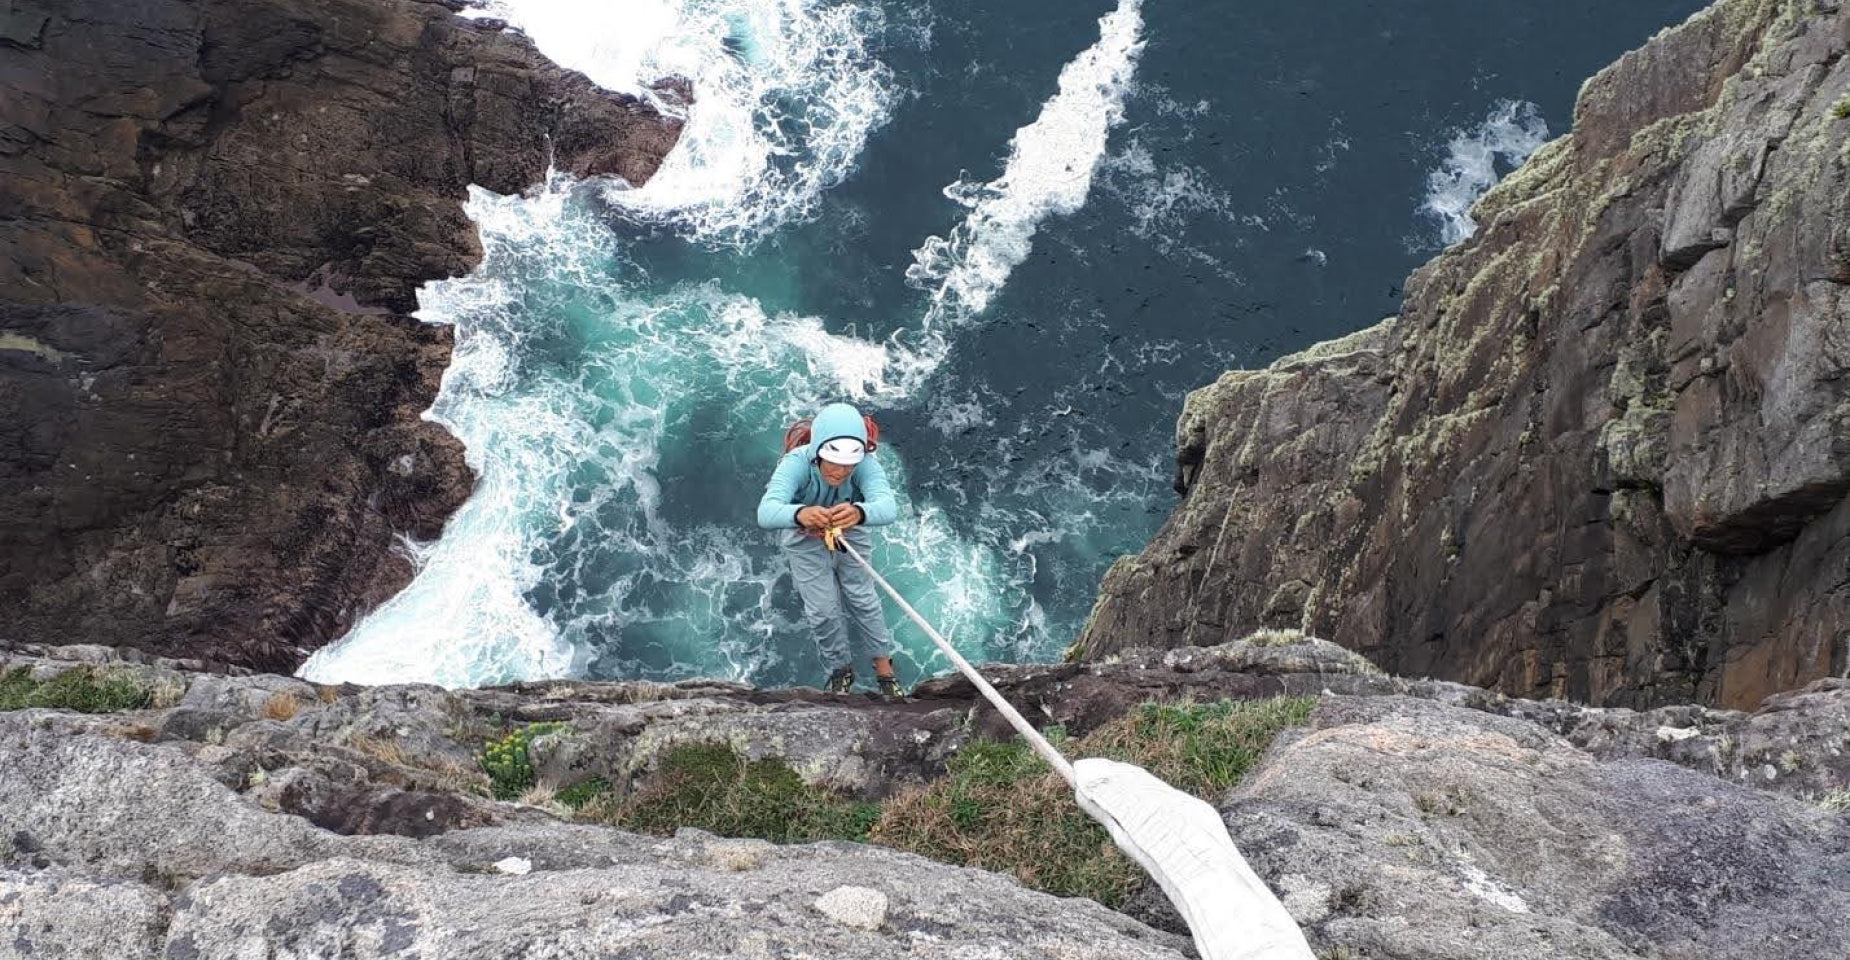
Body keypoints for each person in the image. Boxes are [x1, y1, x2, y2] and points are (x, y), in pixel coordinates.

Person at [756, 402, 903, 696]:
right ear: (818, 453)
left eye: (850, 464)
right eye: (834, 462)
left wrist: (859, 513)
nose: (841, 471)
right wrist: (800, 514)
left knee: (862, 598)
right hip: (804, 536)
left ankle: (885, 670)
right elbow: (766, 512)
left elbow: (888, 507)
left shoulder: (865, 464)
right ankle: (841, 669)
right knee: (823, 610)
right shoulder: (796, 463)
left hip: (851, 528)